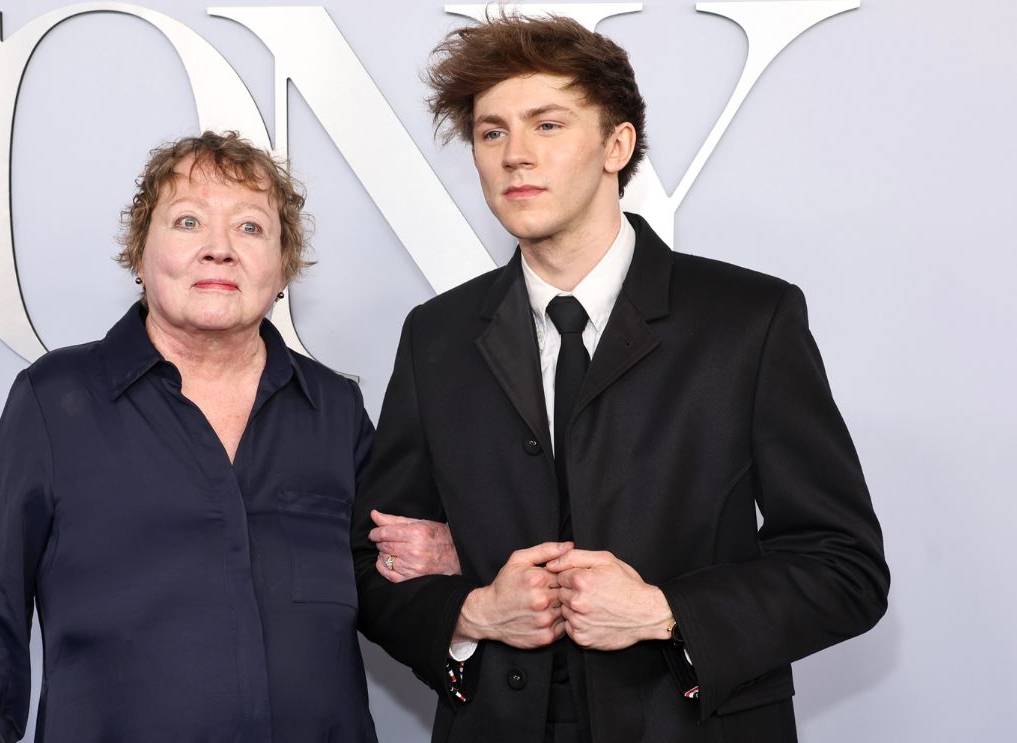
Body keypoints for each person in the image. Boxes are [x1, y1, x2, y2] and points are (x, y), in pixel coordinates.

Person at [352, 14, 889, 743]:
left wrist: (665, 611)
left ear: (617, 144)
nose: (515, 156)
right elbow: (373, 566)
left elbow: (843, 567)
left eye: (547, 125)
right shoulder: (436, 335)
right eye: (491, 132)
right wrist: (471, 611)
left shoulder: (748, 319)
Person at [0, 131, 409, 742]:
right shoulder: (53, 399)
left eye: (250, 228)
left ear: (283, 266)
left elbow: (383, 581)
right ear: (139, 255)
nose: (219, 250)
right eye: (187, 222)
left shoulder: (335, 409)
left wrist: (454, 583)